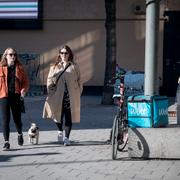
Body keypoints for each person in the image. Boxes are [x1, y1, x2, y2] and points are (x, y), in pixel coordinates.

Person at [43, 45, 83, 146]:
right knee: (57, 115)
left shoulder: (74, 66)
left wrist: (78, 92)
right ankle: (60, 129)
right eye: (62, 53)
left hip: (71, 96)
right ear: (59, 54)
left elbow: (79, 80)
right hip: (57, 95)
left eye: (66, 53)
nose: (64, 55)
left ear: (69, 54)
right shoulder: (54, 66)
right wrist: (50, 92)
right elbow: (49, 80)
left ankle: (66, 138)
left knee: (69, 117)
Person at [0, 47, 29, 151]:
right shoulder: (1, 68)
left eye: (14, 55)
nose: (13, 56)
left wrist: (23, 90)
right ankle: (6, 142)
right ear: (6, 56)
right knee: (5, 120)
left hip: (16, 96)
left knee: (17, 119)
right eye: (11, 54)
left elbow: (25, 82)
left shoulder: (19, 68)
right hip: (4, 96)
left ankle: (19, 133)